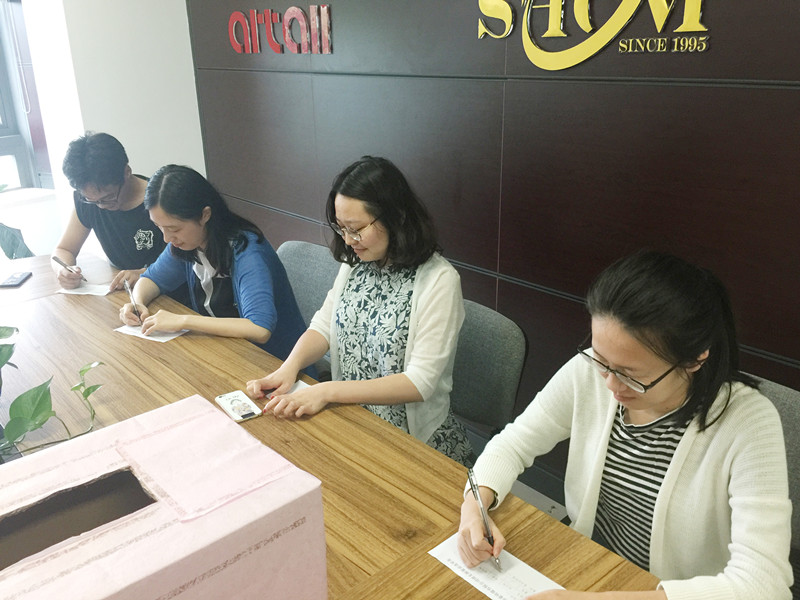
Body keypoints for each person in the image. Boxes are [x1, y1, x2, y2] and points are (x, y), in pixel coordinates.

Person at [457, 250, 792, 600]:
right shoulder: (590, 372)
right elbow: (514, 443)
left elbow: (764, 585)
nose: (610, 385)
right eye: (601, 360)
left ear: (695, 358)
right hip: (590, 564)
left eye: (632, 375)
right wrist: (474, 507)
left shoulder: (748, 422)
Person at [245, 156, 474, 465]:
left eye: (355, 229)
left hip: (413, 440)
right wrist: (289, 367)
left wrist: (328, 391)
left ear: (396, 217)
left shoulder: (439, 281)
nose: (348, 240)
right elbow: (324, 326)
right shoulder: (357, 264)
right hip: (354, 419)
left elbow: (420, 382)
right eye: (341, 228)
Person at [118, 164, 306, 362]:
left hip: (273, 363)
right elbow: (152, 279)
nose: (166, 238)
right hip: (224, 353)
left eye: (174, 229)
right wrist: (137, 303)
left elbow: (259, 328)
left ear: (205, 215)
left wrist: (183, 320)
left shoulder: (247, 251)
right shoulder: (188, 243)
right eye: (159, 227)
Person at [53, 132, 165, 291]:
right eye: (92, 200)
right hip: (124, 292)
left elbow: (183, 260)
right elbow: (64, 249)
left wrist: (145, 273)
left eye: (108, 197)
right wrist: (64, 270)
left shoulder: (159, 199)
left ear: (127, 172)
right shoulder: (88, 201)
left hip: (168, 293)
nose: (101, 206)